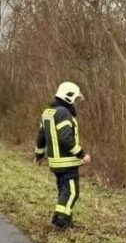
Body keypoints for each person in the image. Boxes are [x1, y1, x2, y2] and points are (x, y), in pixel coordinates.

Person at [34, 82, 91, 230]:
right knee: (72, 192)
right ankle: (60, 222)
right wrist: (81, 154)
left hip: (55, 163)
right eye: (76, 99)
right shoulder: (64, 113)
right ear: (69, 96)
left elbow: (41, 136)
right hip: (67, 162)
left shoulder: (48, 112)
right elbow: (65, 138)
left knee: (64, 191)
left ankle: (65, 219)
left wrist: (38, 155)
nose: (77, 102)